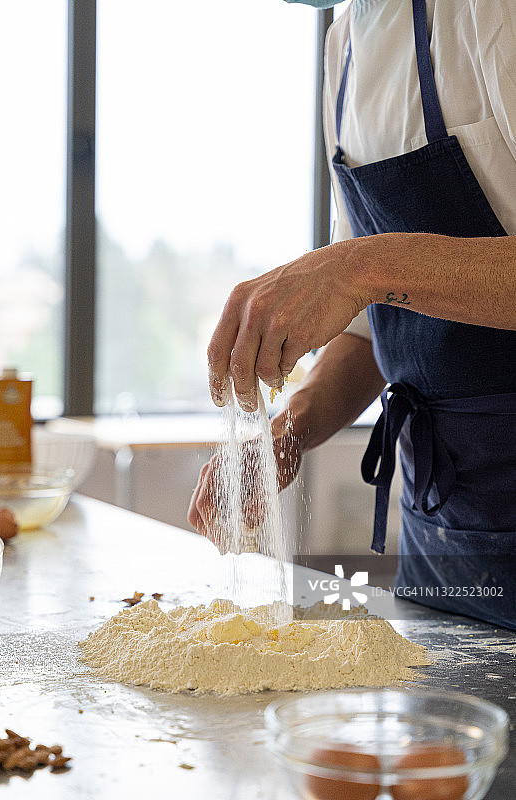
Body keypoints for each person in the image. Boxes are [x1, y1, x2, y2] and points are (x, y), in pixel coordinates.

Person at [188, 0, 516, 629]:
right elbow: (375, 326)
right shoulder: (343, 48)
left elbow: (372, 279)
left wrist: (358, 269)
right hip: (441, 530)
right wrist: (289, 431)